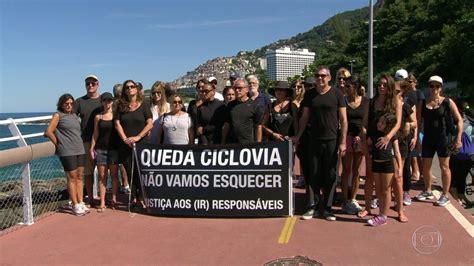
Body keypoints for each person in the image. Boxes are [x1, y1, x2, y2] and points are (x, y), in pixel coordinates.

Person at [293, 66, 348, 221]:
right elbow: (304, 118)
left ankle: (328, 208)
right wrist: (298, 136)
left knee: (330, 174)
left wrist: (343, 142)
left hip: (332, 140)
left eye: (323, 76)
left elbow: (343, 119)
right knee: (313, 173)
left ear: (329, 77)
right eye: (317, 75)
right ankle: (313, 206)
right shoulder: (310, 95)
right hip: (313, 140)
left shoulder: (337, 94)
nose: (320, 78)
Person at [359, 74, 402, 218]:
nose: (381, 87)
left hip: (390, 142)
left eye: (384, 84)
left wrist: (388, 137)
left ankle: (399, 210)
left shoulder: (395, 102)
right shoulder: (370, 103)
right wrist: (364, 142)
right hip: (372, 142)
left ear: (389, 86)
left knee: (395, 177)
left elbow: (398, 124)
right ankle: (367, 207)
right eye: (379, 84)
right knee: (370, 176)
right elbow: (364, 124)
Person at [415, 76, 463, 206]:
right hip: (428, 138)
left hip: (444, 137)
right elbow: (418, 122)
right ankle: (428, 190)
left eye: (437, 86)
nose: (434, 89)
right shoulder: (423, 103)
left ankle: (445, 195)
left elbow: (459, 120)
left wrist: (458, 138)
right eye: (432, 86)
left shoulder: (447, 102)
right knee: (425, 166)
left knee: (444, 166)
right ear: (428, 87)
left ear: (441, 88)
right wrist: (417, 139)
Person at [44, 94, 89, 216]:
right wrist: (58, 144)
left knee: (80, 176)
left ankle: (80, 201)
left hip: (79, 149)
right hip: (67, 151)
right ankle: (74, 204)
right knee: (72, 177)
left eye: (71, 103)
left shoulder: (74, 115)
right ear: (61, 104)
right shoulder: (58, 115)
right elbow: (48, 132)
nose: (69, 105)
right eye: (66, 103)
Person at [114, 80, 153, 210]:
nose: (130, 89)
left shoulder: (145, 104)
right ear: (124, 91)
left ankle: (141, 198)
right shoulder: (121, 105)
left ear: (136, 89)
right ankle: (133, 198)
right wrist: (125, 139)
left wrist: (138, 137)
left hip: (141, 144)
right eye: (127, 87)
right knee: (130, 172)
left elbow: (149, 123)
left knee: (140, 172)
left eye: (132, 87)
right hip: (125, 145)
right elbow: (117, 123)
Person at [366, 113, 403, 226]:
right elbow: (367, 146)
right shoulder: (373, 134)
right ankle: (380, 213)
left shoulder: (392, 136)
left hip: (387, 164)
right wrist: (360, 142)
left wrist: (400, 167)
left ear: (388, 126)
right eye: (379, 122)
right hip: (376, 164)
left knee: (386, 190)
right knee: (378, 190)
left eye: (382, 123)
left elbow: (397, 152)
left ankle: (383, 216)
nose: (379, 124)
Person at [340, 76, 367, 214]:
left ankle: (353, 198)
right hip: (347, 137)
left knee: (357, 171)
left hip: (360, 139)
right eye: (345, 86)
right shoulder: (343, 101)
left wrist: (362, 136)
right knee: (346, 170)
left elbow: (367, 121)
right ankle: (344, 199)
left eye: (348, 86)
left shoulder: (365, 101)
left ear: (356, 87)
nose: (345, 88)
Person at [74, 74, 102, 207]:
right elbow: (70, 118)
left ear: (98, 84)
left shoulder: (104, 100)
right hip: (86, 142)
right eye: (88, 83)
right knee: (88, 172)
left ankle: (103, 199)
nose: (90, 85)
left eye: (93, 83)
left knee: (104, 172)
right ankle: (90, 198)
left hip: (103, 142)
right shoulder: (79, 102)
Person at [90, 92, 120, 212]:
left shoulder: (117, 116)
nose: (107, 102)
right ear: (101, 102)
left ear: (112, 101)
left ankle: (114, 199)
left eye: (109, 100)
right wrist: (92, 147)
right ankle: (102, 201)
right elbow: (95, 133)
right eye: (105, 100)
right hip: (101, 149)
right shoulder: (98, 117)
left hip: (114, 149)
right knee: (102, 176)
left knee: (114, 175)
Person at [221, 78, 263, 144]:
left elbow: (258, 126)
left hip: (248, 144)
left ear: (247, 89)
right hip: (232, 144)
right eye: (235, 88)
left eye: (240, 88)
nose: (237, 90)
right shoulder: (230, 105)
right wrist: (222, 142)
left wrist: (258, 145)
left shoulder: (255, 106)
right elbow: (227, 125)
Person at [113, 83, 130, 194]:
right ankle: (125, 184)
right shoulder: (123, 104)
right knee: (123, 162)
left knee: (117, 163)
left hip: (115, 136)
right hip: (123, 136)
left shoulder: (114, 104)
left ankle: (121, 184)